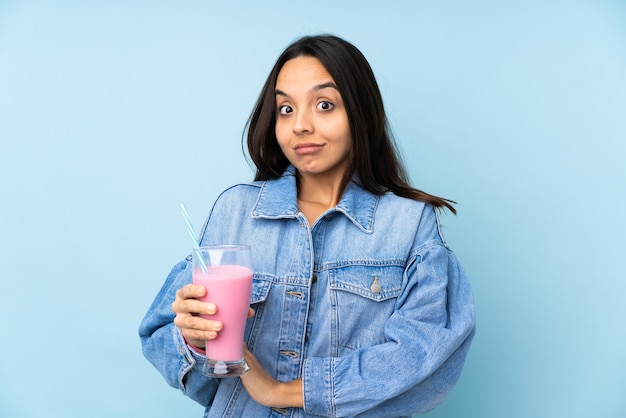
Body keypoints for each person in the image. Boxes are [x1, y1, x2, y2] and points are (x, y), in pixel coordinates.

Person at [139, 34, 475, 417]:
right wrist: (194, 340)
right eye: (285, 109)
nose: (300, 125)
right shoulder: (236, 211)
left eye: (324, 105)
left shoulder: (408, 223)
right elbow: (161, 337)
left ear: (360, 113)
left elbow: (427, 358)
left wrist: (282, 392)